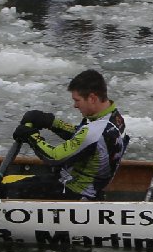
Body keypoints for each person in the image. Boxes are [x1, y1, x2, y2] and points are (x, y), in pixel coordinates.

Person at [8, 69, 130, 201]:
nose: (75, 106)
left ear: (92, 98)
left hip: (74, 192)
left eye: (77, 100)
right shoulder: (116, 118)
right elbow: (82, 138)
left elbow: (53, 157)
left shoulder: (95, 132)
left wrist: (30, 136)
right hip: (89, 187)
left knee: (4, 188)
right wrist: (51, 122)